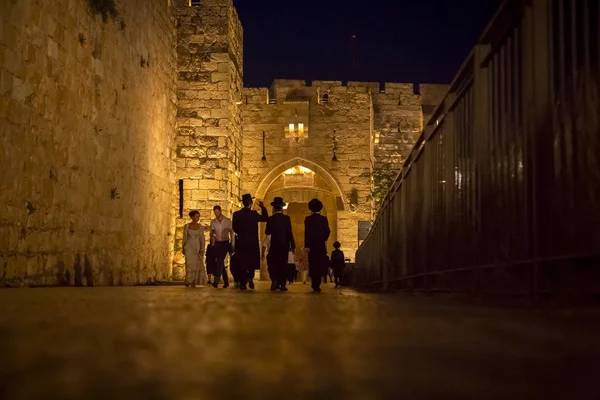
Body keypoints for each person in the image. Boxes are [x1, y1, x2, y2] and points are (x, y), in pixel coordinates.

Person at [232, 194, 268, 290]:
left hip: (241, 243)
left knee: (242, 263)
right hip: (252, 243)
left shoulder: (236, 215)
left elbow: (234, 228)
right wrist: (263, 207)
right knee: (251, 263)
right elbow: (265, 218)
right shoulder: (254, 214)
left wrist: (241, 234)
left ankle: (243, 282)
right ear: (251, 203)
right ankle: (250, 278)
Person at [264, 197, 295, 291]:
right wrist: (293, 245)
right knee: (283, 264)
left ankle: (274, 280)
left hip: (274, 245)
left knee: (274, 264)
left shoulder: (270, 219)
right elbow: (290, 232)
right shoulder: (287, 219)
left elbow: (267, 232)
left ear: (273, 208)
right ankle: (282, 284)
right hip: (284, 245)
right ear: (281, 208)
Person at [304, 198, 330, 292]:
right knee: (319, 263)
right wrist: (323, 239)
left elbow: (306, 233)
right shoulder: (324, 219)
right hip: (321, 245)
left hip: (311, 245)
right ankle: (318, 283)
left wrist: (306, 245)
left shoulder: (308, 219)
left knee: (313, 264)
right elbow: (327, 231)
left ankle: (314, 283)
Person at [182, 210, 207, 288]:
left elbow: (202, 238)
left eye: (198, 216)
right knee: (189, 264)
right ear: (192, 217)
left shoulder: (200, 227)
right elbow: (184, 237)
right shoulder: (187, 226)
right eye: (196, 216)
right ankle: (188, 280)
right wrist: (183, 247)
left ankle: (193, 281)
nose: (198, 217)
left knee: (196, 264)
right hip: (189, 246)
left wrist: (202, 248)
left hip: (197, 246)